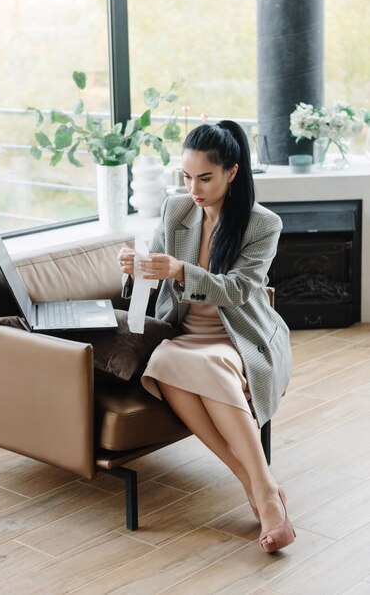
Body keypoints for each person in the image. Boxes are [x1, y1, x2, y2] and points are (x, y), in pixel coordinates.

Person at [118, 120, 295, 553]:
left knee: (206, 364)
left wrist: (182, 271)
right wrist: (136, 266)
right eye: (186, 176)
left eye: (205, 177)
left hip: (239, 337)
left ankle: (265, 496)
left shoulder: (262, 224)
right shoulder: (176, 209)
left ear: (232, 172)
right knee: (163, 363)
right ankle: (259, 484)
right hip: (185, 335)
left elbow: (238, 290)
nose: (193, 188)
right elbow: (157, 261)